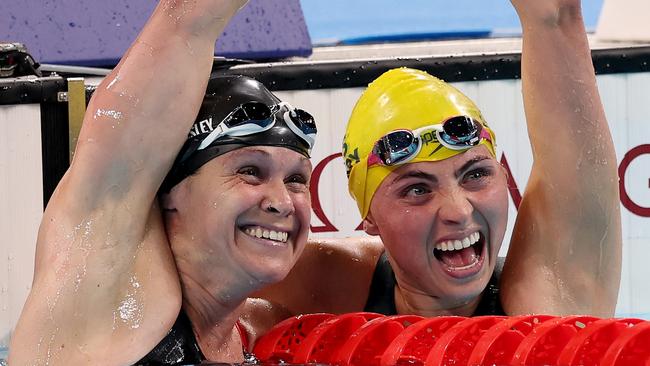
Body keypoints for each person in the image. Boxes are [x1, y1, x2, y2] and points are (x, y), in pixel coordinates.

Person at [251, 0, 622, 326]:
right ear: (369, 219)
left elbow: (555, 15)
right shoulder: (324, 286)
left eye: (475, 174)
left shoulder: (551, 297)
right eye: (417, 189)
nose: (458, 211)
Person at [9, 1, 318, 365]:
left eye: (296, 179)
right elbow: (186, 19)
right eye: (250, 171)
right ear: (172, 190)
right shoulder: (110, 303)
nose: (281, 202)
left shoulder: (258, 328)